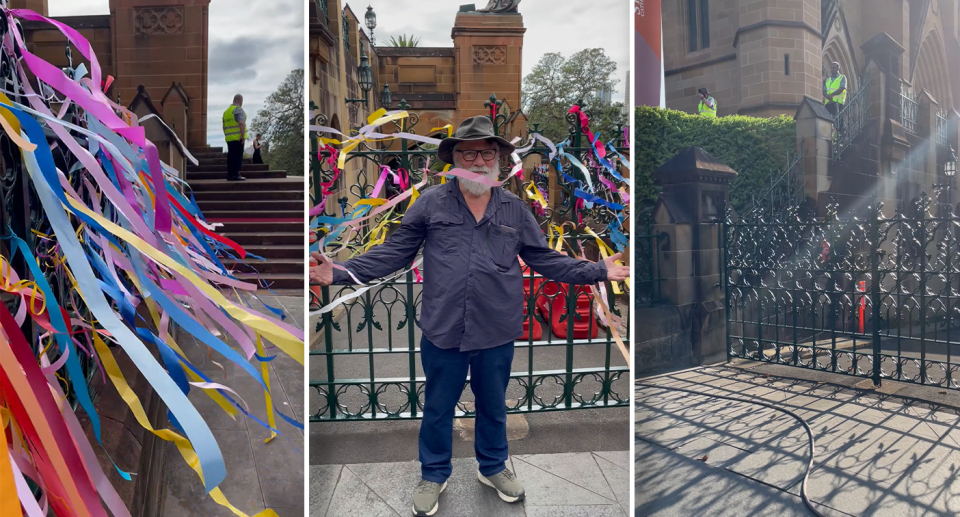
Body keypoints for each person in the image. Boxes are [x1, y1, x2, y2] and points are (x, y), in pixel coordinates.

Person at [310, 116, 630, 517]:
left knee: (493, 405)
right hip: (444, 327)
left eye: (486, 152)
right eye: (468, 152)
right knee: (439, 407)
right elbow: (395, 253)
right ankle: (434, 473)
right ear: (455, 159)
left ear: (498, 158)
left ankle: (493, 467)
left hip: (496, 327)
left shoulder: (514, 209)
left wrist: (598, 270)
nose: (478, 161)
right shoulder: (430, 203)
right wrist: (337, 272)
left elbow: (543, 259)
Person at [222, 94, 247, 181]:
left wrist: (226, 134)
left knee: (231, 156)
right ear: (241, 101)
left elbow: (224, 126)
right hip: (237, 138)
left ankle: (230, 175)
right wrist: (242, 136)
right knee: (237, 157)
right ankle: (236, 174)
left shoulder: (226, 112)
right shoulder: (238, 110)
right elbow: (241, 123)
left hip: (229, 138)